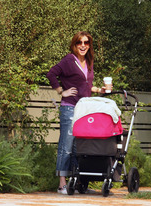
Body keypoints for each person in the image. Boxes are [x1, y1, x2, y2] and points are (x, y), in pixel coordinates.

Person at [46, 31, 105, 194]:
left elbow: (85, 86)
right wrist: (60, 90)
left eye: (86, 43)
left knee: (79, 147)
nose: (83, 45)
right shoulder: (68, 60)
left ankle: (76, 182)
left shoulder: (89, 62)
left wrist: (101, 89)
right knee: (66, 146)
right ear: (74, 44)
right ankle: (62, 184)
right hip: (70, 108)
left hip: (84, 110)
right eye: (80, 42)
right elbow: (51, 73)